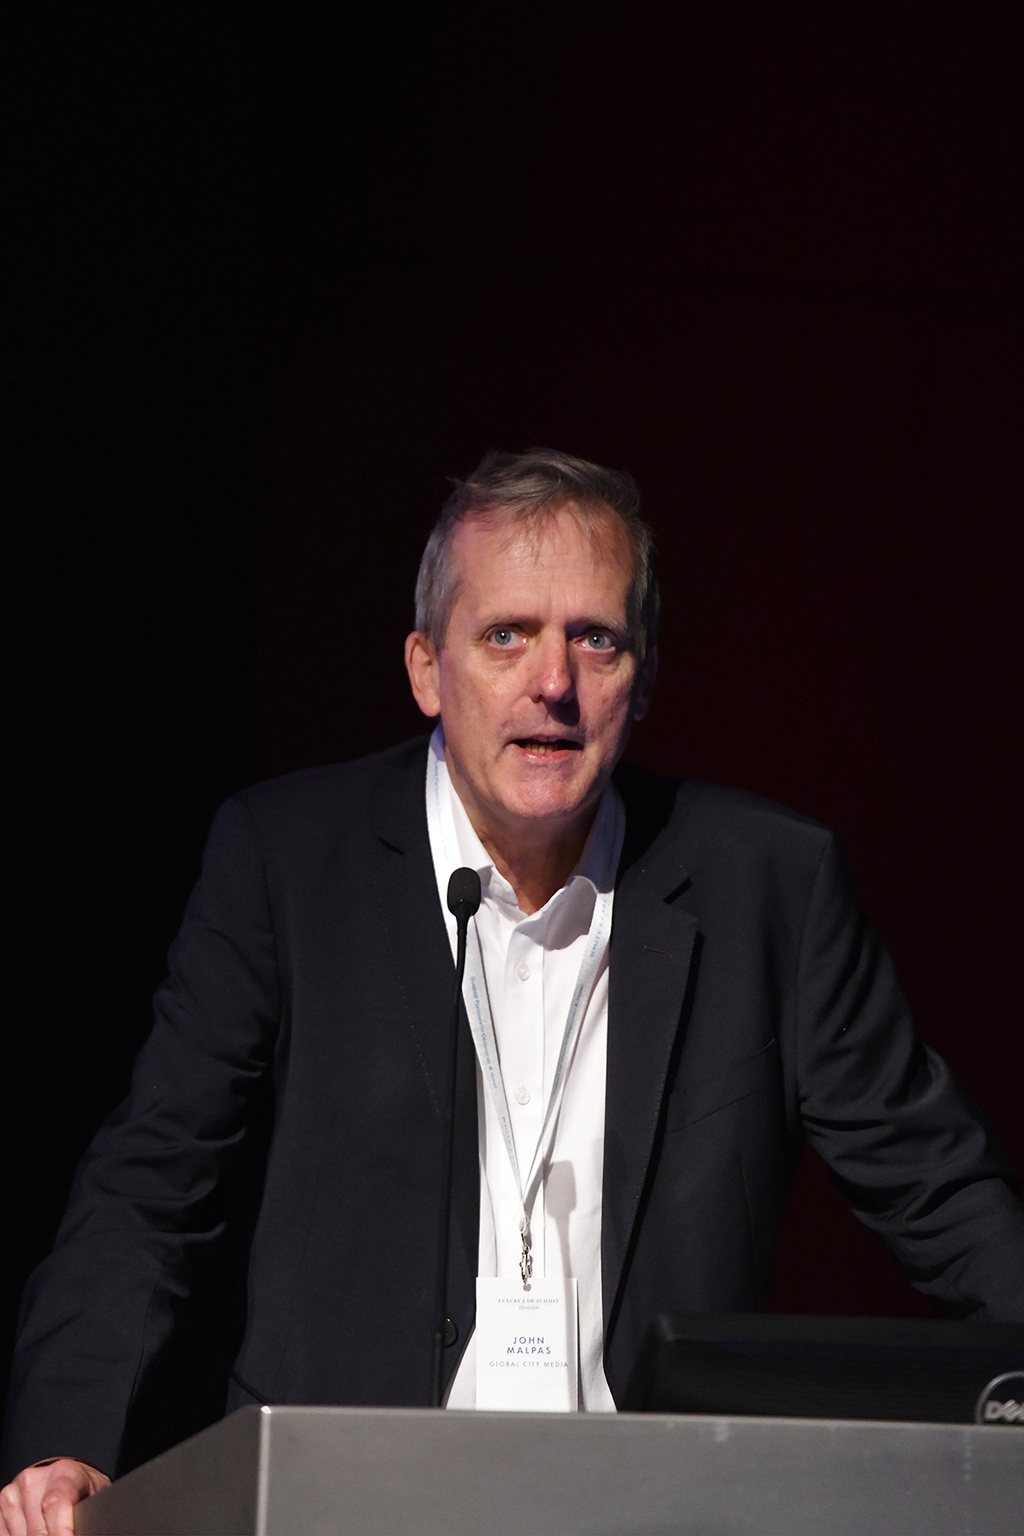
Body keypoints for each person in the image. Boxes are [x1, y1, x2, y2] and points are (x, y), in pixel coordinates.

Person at [3, 448, 1023, 1533]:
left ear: (645, 677)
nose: (554, 682)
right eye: (506, 635)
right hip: (346, 1505)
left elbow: (938, 1191)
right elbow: (155, 1181)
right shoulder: (288, 861)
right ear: (425, 670)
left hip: (653, 1512)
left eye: (596, 639)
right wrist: (67, 1440)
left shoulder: (768, 886)